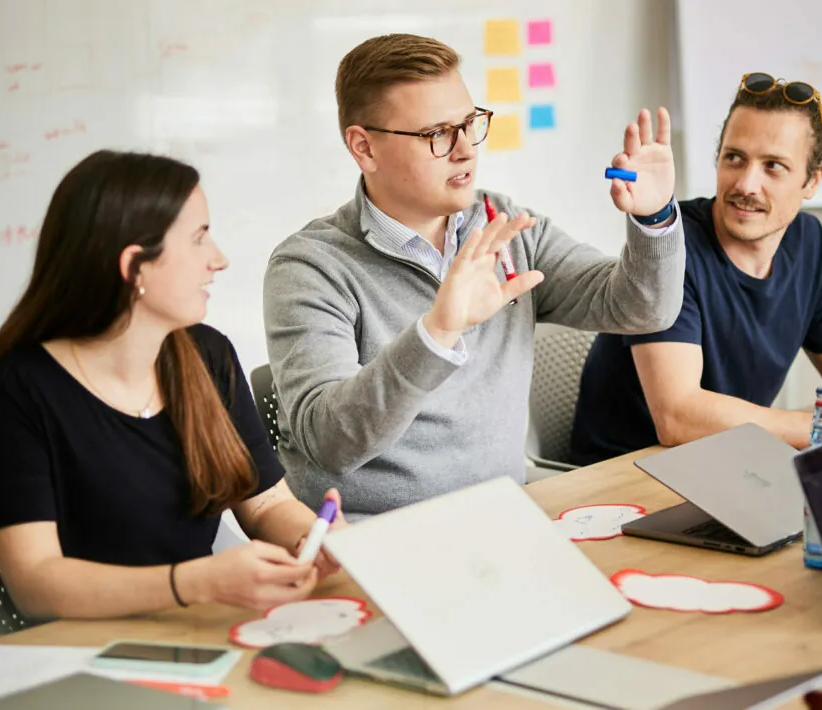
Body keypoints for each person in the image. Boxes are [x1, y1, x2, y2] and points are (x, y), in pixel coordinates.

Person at [263, 33, 686, 518]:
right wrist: (438, 332)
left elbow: (642, 308)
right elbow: (330, 442)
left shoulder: (503, 225)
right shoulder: (310, 266)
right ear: (364, 148)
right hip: (371, 536)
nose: (466, 149)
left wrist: (654, 221)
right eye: (436, 134)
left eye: (469, 124)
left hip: (502, 522)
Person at [0, 150, 343, 625]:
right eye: (199, 238)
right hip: (84, 652)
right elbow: (36, 582)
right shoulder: (13, 392)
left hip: (199, 631)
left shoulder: (207, 355)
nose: (219, 259)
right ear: (135, 266)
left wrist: (310, 537)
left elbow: (266, 501)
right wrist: (198, 581)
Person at [571, 72, 822, 463]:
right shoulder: (668, 248)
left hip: (729, 463)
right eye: (735, 158)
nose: (746, 184)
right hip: (629, 475)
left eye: (773, 166)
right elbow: (677, 417)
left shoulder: (807, 241)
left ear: (813, 180)